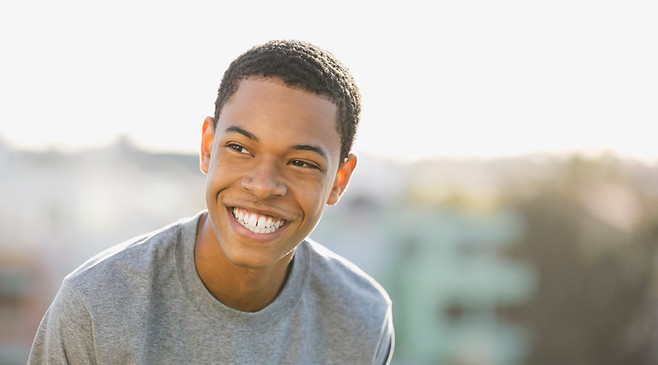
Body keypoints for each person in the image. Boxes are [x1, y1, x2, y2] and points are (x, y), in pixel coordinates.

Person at [28, 40, 394, 364]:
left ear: (339, 181)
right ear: (207, 147)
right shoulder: (96, 307)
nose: (264, 185)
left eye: (301, 162)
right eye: (239, 148)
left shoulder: (363, 318)